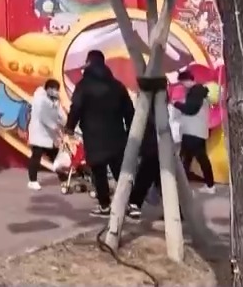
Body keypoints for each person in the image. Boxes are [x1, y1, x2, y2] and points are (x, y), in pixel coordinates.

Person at [65, 50, 134, 217]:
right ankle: (129, 204)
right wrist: (130, 130)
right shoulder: (117, 85)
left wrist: (69, 127)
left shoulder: (83, 85)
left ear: (88, 63)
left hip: (93, 135)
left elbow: (76, 107)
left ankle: (104, 205)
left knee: (98, 171)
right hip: (116, 135)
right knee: (120, 171)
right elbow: (129, 110)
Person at [173, 68, 216, 193]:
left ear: (186, 80)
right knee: (190, 159)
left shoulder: (196, 91)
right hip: (196, 131)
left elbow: (190, 109)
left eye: (182, 83)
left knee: (189, 159)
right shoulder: (199, 91)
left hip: (193, 131)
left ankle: (186, 187)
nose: (182, 86)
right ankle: (208, 185)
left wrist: (177, 104)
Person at [25, 79, 63, 191]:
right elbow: (43, 117)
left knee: (56, 156)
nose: (56, 92)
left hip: (49, 135)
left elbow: (60, 114)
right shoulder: (40, 99)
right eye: (54, 89)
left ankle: (64, 177)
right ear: (48, 89)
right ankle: (32, 181)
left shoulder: (55, 99)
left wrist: (68, 124)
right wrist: (55, 127)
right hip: (39, 133)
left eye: (57, 90)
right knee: (36, 156)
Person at [125, 104, 159, 221]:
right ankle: (135, 203)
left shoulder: (148, 108)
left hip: (153, 147)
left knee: (145, 175)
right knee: (151, 175)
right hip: (158, 147)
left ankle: (134, 203)